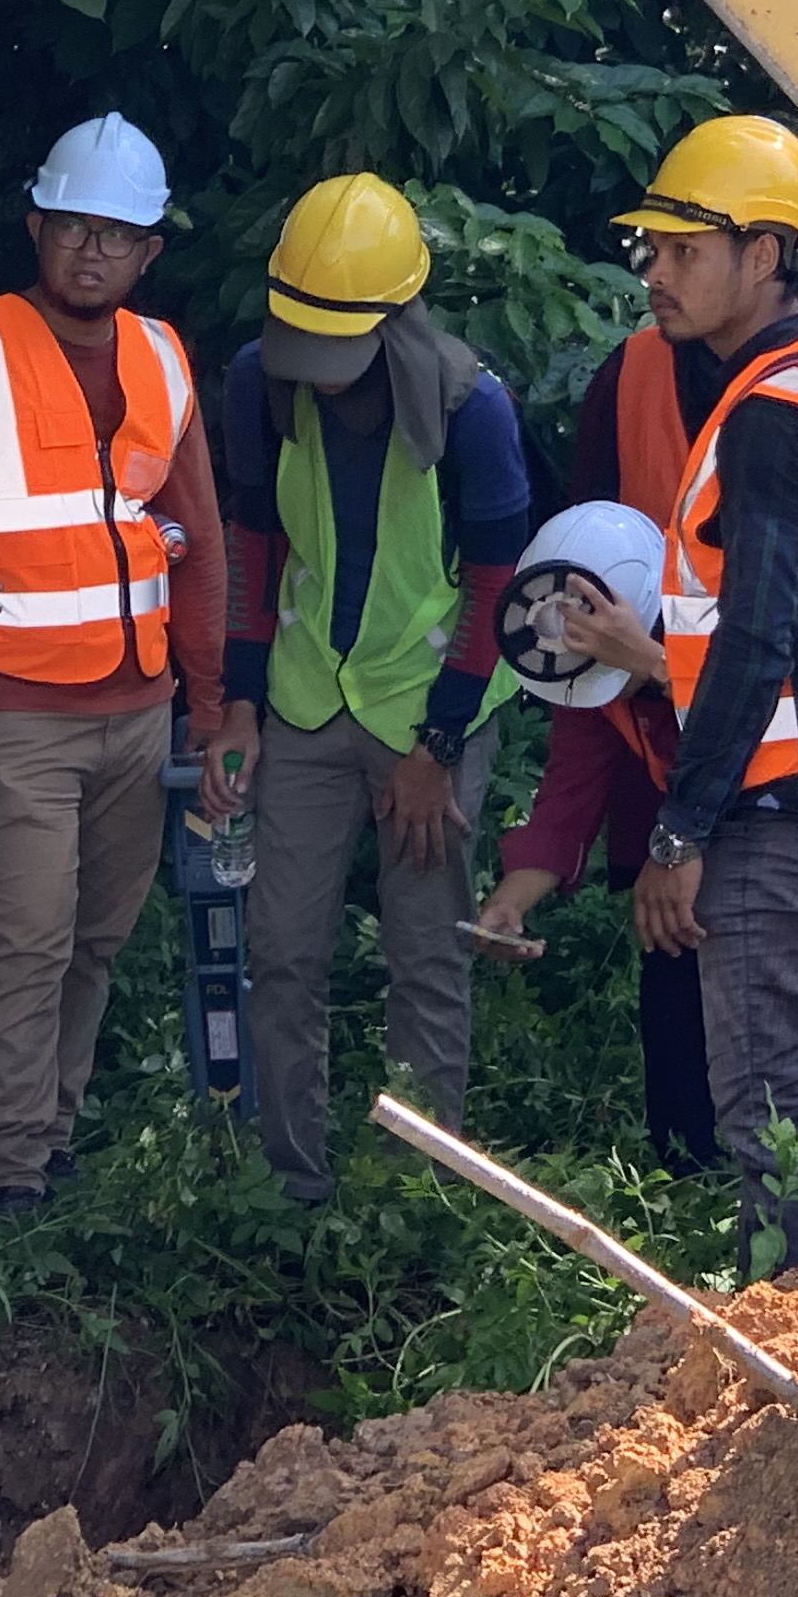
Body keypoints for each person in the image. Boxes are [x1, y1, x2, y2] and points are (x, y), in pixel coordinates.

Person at [0, 113, 244, 1214]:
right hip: (5, 711)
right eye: (72, 227)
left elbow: (201, 544)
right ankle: (1, 1174)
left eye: (117, 234)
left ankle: (48, 1138)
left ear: (148, 252)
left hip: (136, 711)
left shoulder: (160, 354)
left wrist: (209, 704)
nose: (92, 251)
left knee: (95, 938)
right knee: (30, 936)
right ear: (36, 225)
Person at [578, 115, 798, 1271]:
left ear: (768, 255)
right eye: (654, 249)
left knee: (779, 1120)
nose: (657, 273)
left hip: (793, 819)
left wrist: (682, 829)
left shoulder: (774, 414)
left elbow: (754, 639)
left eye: (685, 250)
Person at [222, 172, 532, 1204]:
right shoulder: (255, 386)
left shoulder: (471, 407)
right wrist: (238, 698)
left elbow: (500, 589)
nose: (316, 371)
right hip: (309, 699)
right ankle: (292, 1184)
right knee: (281, 952)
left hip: (431, 709)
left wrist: (436, 746)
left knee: (426, 957)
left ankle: (423, 1191)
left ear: (397, 318)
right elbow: (253, 550)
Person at [474, 317, 721, 1171]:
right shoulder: (587, 644)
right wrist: (512, 899)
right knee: (672, 968)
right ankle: (688, 1179)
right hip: (685, 813)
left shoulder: (727, 625)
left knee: (788, 1020)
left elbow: (759, 735)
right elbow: (575, 776)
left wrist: (677, 843)